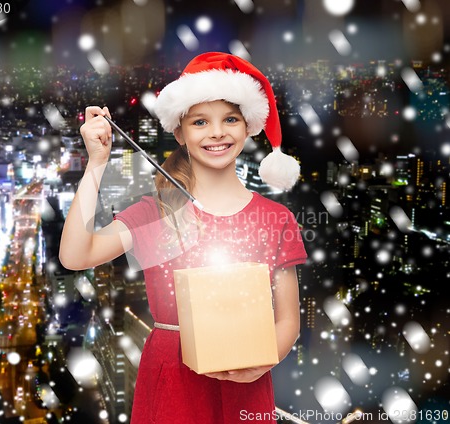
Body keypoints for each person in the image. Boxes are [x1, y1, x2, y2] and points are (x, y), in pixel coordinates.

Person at [59, 52, 307, 423]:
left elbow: (288, 320)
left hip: (248, 378)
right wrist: (96, 163)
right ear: (180, 133)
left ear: (248, 128)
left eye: (230, 119)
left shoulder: (276, 218)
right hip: (171, 380)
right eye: (200, 122)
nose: (217, 132)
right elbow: (77, 255)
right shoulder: (157, 212)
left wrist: (263, 361)